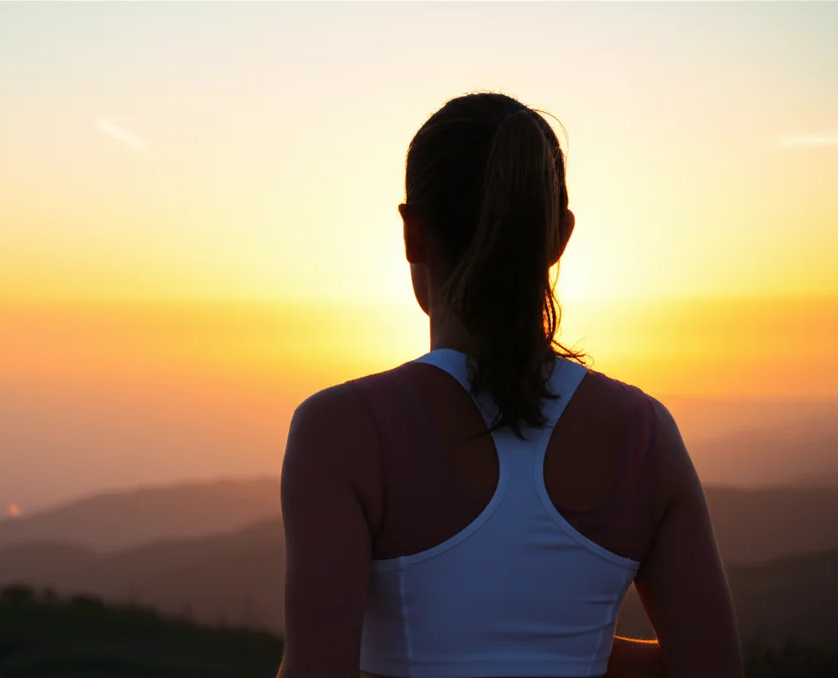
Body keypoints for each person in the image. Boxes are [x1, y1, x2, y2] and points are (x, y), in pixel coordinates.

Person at [277, 92, 743, 678]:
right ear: (559, 237)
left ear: (411, 234)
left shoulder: (343, 432)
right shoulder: (643, 434)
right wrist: (573, 648)